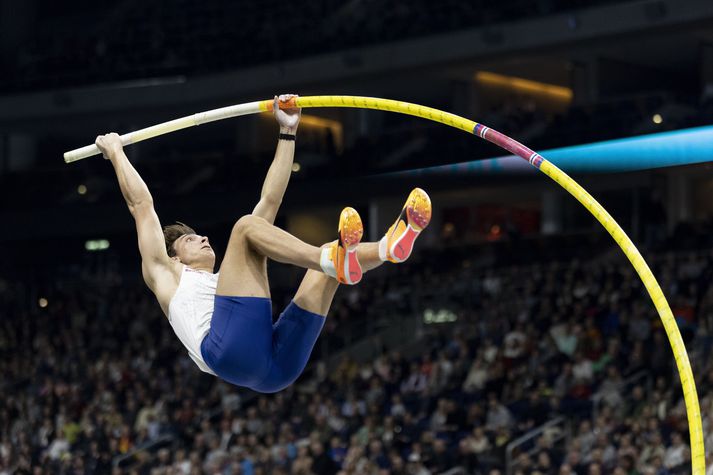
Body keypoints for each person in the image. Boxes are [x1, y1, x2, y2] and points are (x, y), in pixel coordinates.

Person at [94, 94, 432, 393]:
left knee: (317, 255)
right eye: (189, 239)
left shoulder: (230, 282)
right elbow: (141, 206)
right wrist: (116, 153)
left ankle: (388, 247)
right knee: (245, 229)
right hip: (228, 352)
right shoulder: (166, 275)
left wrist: (287, 131)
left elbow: (270, 199)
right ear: (174, 257)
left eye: (198, 234)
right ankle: (329, 259)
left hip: (274, 370)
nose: (203, 237)